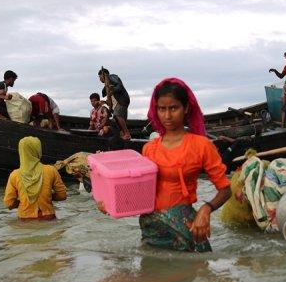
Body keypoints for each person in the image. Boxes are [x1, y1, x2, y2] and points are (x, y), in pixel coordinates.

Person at [99, 78, 231, 252]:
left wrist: (206, 209)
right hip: (151, 229)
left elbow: (226, 189)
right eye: (162, 109)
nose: (167, 115)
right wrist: (110, 204)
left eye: (173, 108)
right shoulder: (149, 148)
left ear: (186, 108)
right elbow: (141, 195)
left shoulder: (201, 145)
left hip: (185, 230)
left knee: (191, 274)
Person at [4, 136, 67, 220]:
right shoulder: (50, 170)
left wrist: (23, 203)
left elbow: (9, 203)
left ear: (21, 151)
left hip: (25, 220)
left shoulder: (14, 175)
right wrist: (47, 197)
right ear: (38, 150)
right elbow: (62, 195)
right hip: (48, 218)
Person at [98, 67, 131, 140]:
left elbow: (120, 86)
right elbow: (107, 96)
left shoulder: (112, 77)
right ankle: (122, 135)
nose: (100, 79)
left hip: (122, 100)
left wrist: (112, 90)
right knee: (117, 119)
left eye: (100, 77)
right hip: (117, 103)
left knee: (117, 115)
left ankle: (127, 134)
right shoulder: (107, 85)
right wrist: (105, 101)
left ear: (104, 75)